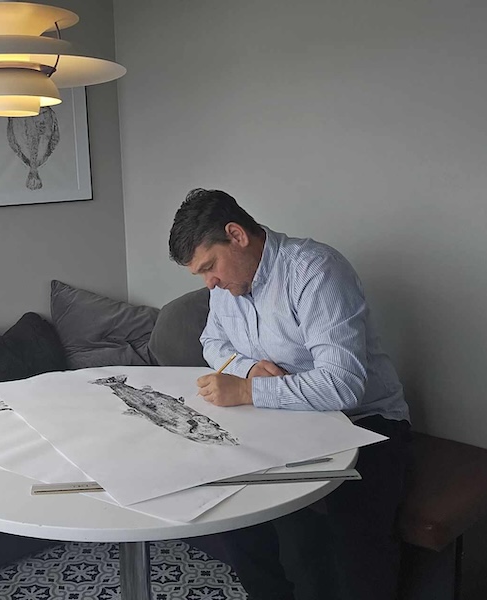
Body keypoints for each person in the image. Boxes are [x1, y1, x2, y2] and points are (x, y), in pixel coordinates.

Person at [169, 188, 411, 600]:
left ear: (237, 235)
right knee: (231, 506)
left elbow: (343, 386)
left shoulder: (316, 271)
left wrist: (249, 389)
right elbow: (212, 341)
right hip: (283, 421)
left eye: (210, 266)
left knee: (352, 539)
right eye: (202, 275)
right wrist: (249, 369)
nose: (210, 283)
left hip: (367, 423)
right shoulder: (227, 287)